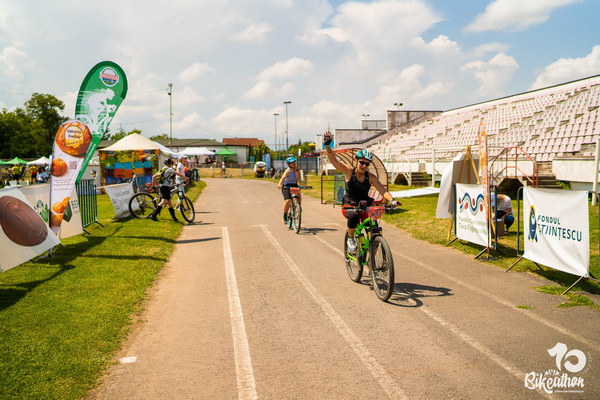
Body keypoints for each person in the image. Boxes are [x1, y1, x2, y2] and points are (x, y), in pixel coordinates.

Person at [324, 133, 399, 251]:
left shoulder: (371, 177)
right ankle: (350, 238)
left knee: (374, 229)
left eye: (367, 164)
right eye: (362, 162)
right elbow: (334, 161)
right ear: (357, 161)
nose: (364, 166)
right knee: (354, 216)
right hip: (350, 205)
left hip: (365, 206)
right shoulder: (349, 171)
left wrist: (392, 200)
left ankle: (374, 254)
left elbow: (382, 189)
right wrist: (328, 146)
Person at [277, 156, 301, 224]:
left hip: (294, 185)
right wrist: (279, 184)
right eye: (292, 163)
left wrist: (297, 170)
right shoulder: (287, 171)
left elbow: (298, 178)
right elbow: (283, 178)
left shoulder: (297, 169)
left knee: (298, 195)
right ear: (289, 164)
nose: (294, 163)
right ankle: (285, 215)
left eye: (294, 162)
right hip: (287, 186)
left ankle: (298, 207)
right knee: (288, 200)